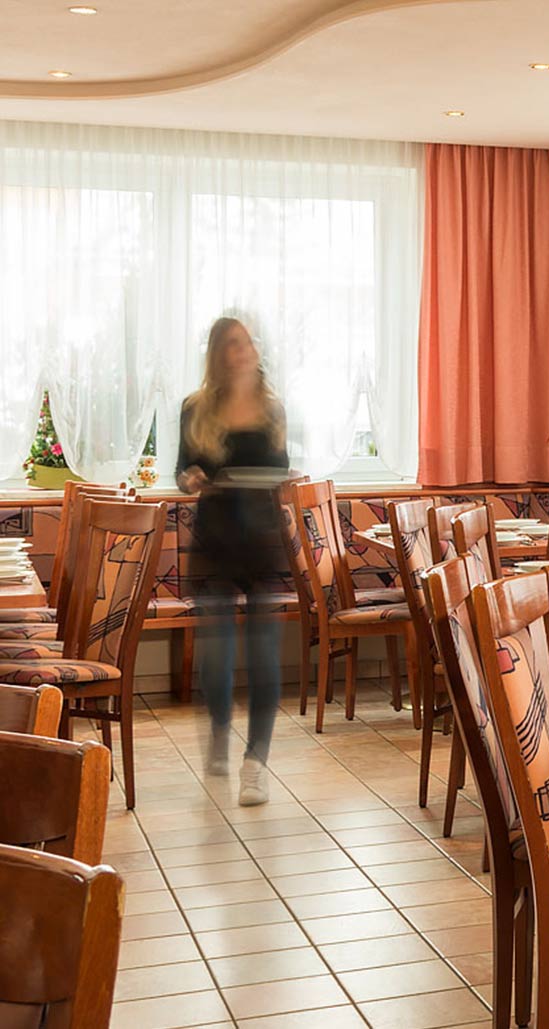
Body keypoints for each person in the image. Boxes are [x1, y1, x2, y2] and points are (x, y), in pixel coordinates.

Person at [177, 316, 290, 807]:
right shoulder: (195, 409)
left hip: (263, 539)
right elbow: (182, 472)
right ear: (217, 355)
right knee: (218, 655)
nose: (241, 352)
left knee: (265, 656)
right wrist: (192, 479)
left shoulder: (272, 409)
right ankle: (220, 731)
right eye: (230, 345)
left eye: (245, 343)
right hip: (215, 541)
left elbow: (282, 470)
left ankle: (256, 763)